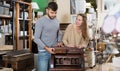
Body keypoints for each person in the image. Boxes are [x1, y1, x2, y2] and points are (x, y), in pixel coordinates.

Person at [34, 2, 63, 71]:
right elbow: (36, 38)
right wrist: (47, 49)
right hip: (43, 52)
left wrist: (59, 41)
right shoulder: (40, 21)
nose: (54, 15)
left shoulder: (56, 21)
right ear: (47, 10)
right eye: (52, 12)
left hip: (54, 51)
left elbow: (59, 32)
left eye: (55, 13)